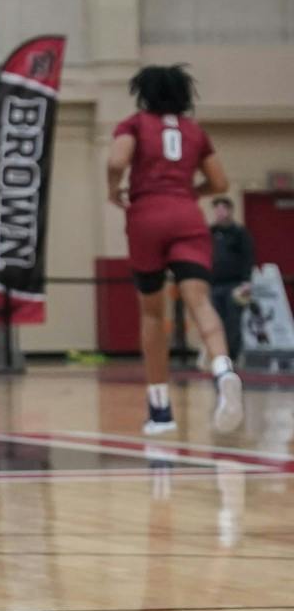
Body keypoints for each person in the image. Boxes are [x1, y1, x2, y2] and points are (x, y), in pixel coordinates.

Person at [108, 65, 243, 434]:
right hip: (187, 216)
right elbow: (219, 182)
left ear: (144, 93)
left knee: (153, 314)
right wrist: (189, 194)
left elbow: (116, 161)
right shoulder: (194, 131)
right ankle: (223, 371)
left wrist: (112, 189)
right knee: (201, 302)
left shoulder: (134, 125)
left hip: (147, 217)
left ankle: (161, 411)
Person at [208, 197, 256, 361]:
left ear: (230, 211)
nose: (219, 213)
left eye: (222, 209)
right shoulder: (211, 232)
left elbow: (248, 257)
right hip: (214, 284)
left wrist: (246, 281)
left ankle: (232, 355)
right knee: (215, 321)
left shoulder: (239, 233)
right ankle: (218, 355)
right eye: (217, 209)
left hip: (234, 284)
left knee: (232, 321)